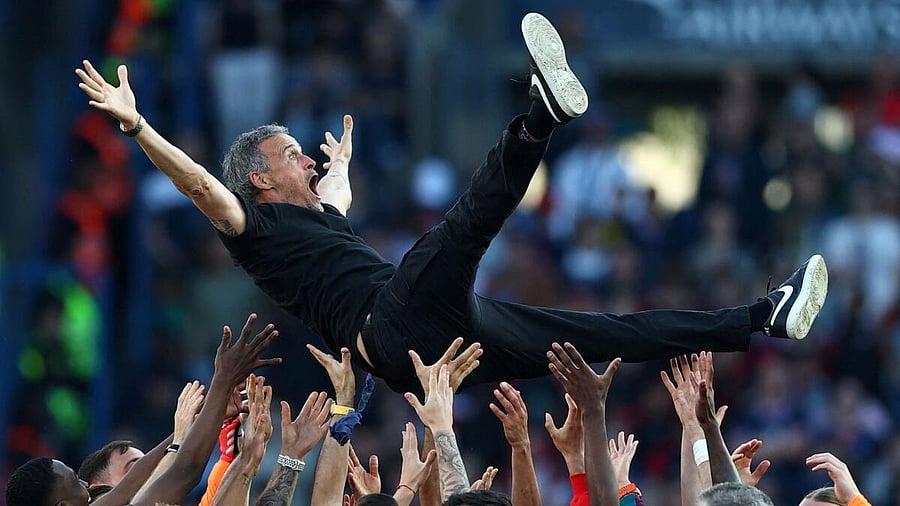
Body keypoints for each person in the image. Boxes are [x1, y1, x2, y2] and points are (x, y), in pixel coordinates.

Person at [75, 12, 829, 395]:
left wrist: (341, 166)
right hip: (394, 324)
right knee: (464, 226)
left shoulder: (313, 212)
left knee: (600, 334)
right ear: (259, 179)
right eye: (289, 153)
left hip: (431, 336)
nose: (304, 156)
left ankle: (761, 319)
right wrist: (138, 127)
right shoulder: (253, 227)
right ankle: (538, 119)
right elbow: (200, 185)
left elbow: (334, 195)